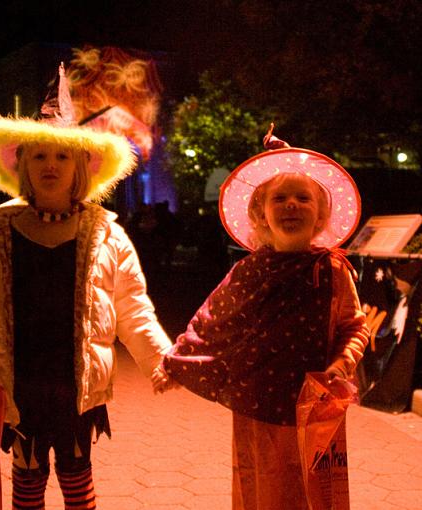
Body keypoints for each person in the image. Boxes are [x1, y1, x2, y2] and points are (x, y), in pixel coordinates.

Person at [0, 100, 172, 508]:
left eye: (62, 156)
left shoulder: (106, 233)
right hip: (19, 380)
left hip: (76, 383)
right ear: (22, 164)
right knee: (27, 475)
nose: (50, 165)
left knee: (77, 473)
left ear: (81, 168)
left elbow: (132, 305)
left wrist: (157, 358)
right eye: (39, 155)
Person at [152, 125, 369, 509]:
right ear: (261, 213)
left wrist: (341, 364)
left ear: (320, 214)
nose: (291, 205)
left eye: (303, 198)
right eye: (280, 198)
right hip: (258, 404)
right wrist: (175, 363)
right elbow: (212, 321)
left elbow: (355, 326)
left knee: (314, 490)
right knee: (260, 489)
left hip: (314, 404)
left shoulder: (332, 269)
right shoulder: (248, 271)